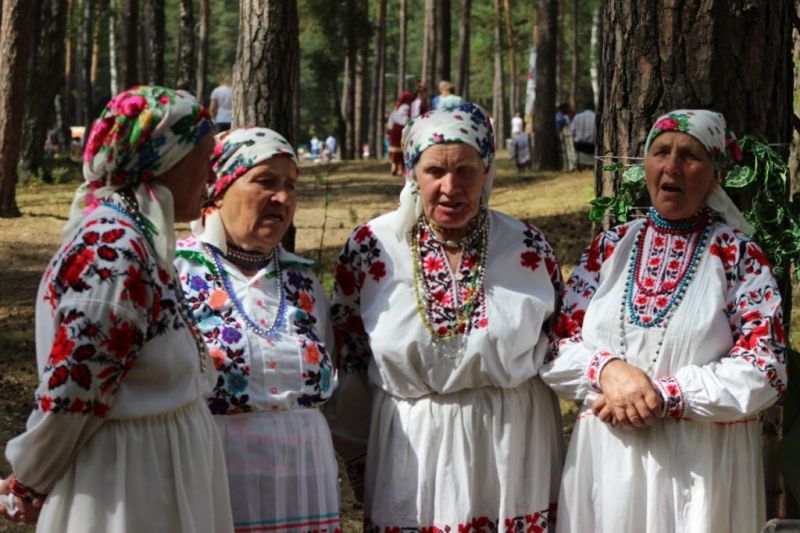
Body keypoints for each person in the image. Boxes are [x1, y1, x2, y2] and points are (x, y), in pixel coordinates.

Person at [541, 109, 787, 533]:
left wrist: (663, 394)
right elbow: (555, 345)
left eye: (689, 155)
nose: (672, 166)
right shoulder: (610, 248)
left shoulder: (738, 256)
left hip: (699, 469)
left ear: (715, 174)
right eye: (661, 152)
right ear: (646, 166)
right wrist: (607, 371)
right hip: (608, 462)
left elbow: (766, 368)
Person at [0, 86, 233, 532]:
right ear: (164, 158)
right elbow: (72, 392)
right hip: (126, 486)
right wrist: (31, 479)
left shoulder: (138, 237)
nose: (212, 172)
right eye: (204, 157)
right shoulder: (111, 249)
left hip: (154, 469)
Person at [326, 102, 563, 531]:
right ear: (411, 173)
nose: (450, 187)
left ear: (487, 170)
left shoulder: (527, 246)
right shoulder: (372, 247)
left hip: (511, 452)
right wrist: (357, 456)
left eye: (466, 170)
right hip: (410, 452)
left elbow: (560, 344)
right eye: (435, 170)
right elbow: (350, 361)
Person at [175, 127, 340, 533]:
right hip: (217, 475)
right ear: (217, 189)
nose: (282, 198)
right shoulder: (176, 272)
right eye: (265, 181)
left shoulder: (303, 281)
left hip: (305, 480)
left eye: (291, 186)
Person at [386, 91, 413, 175]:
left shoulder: (397, 107)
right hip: (401, 129)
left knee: (394, 149)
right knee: (402, 149)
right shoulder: (406, 107)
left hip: (394, 129)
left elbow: (391, 119)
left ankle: (393, 168)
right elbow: (405, 120)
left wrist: (390, 128)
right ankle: (401, 169)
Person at [571, 103, 596, 169]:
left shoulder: (577, 117)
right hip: (592, 145)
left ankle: (580, 165)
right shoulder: (595, 116)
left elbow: (572, 131)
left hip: (579, 145)